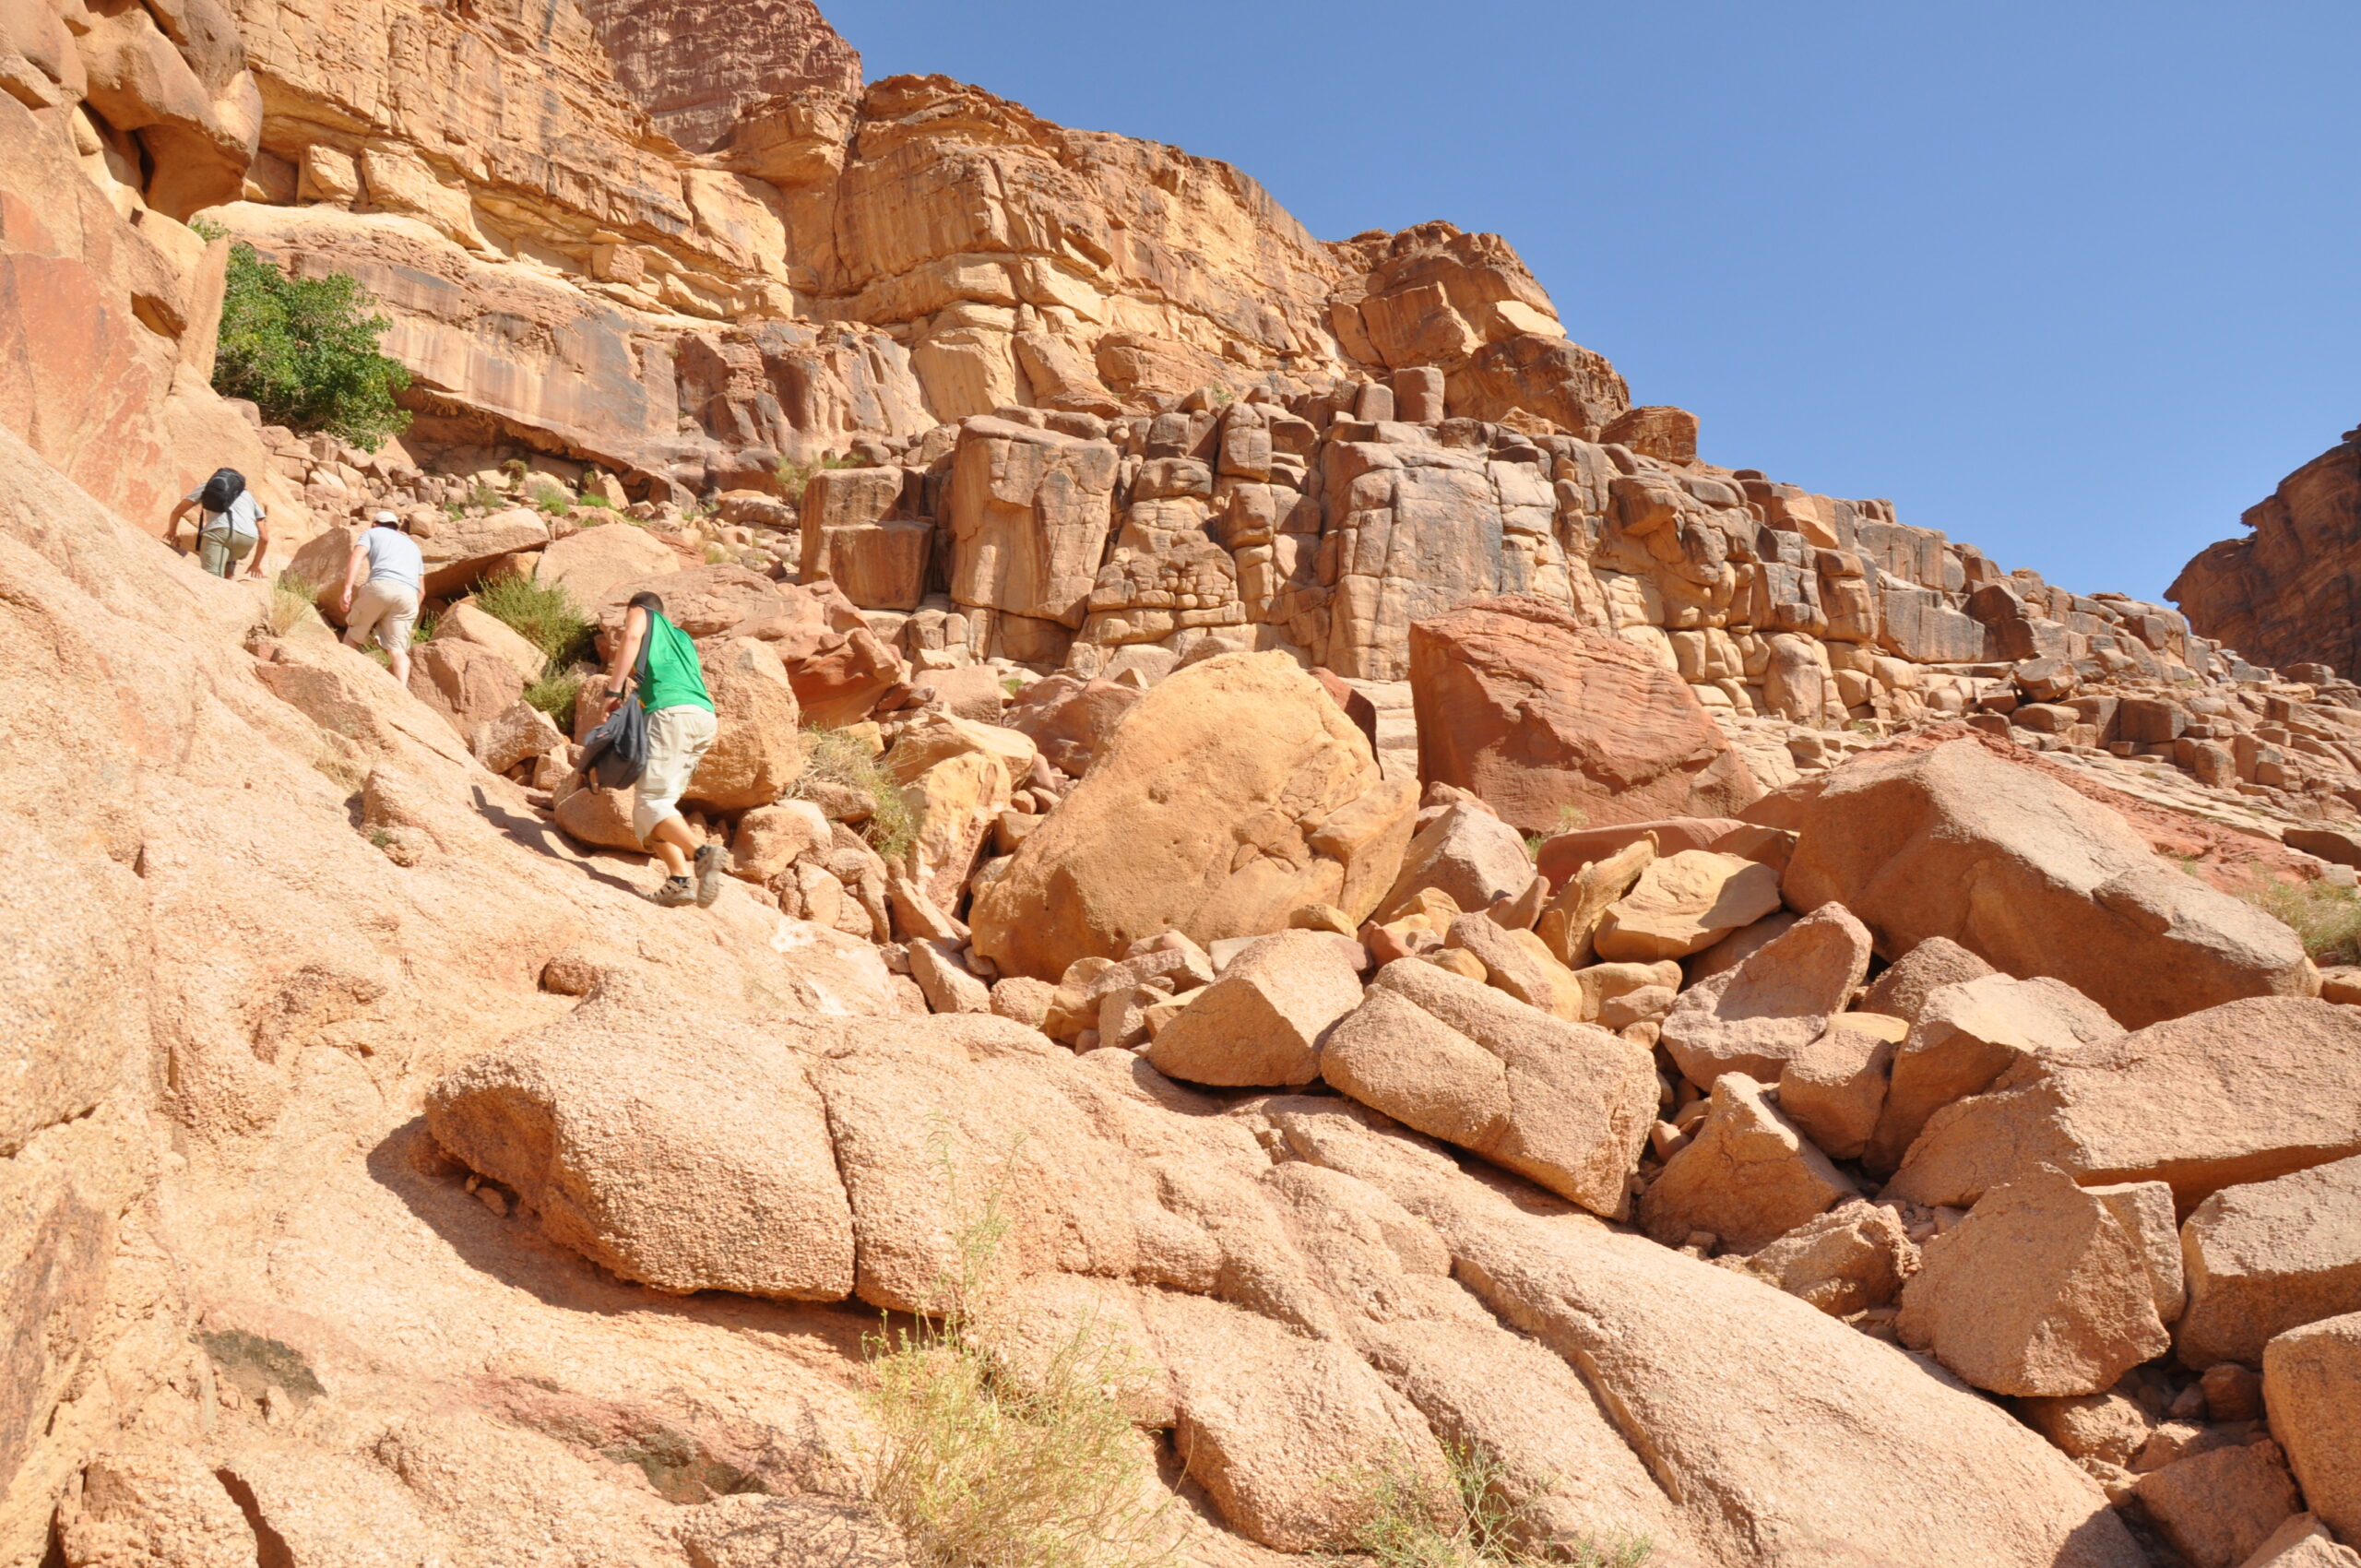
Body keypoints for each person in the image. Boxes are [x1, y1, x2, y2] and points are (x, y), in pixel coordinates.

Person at [599, 590, 726, 908]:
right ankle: (678, 881)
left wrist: (612, 690)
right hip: (703, 718)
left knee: (650, 801)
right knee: (653, 809)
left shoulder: (643, 613)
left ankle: (702, 852)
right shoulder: (682, 638)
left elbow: (630, 637)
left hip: (671, 713)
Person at [334, 510, 425, 683]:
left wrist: (347, 589)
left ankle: (343, 679)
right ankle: (402, 693)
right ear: (396, 529)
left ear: (375, 524)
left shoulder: (371, 533)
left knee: (354, 634)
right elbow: (422, 590)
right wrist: (410, 617)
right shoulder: (413, 546)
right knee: (398, 650)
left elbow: (356, 557)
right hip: (408, 595)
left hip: (381, 585)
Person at [167, 469, 270, 579]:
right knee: (227, 560)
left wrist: (172, 531)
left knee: (211, 577)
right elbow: (264, 538)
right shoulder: (247, 495)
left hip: (219, 533)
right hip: (247, 540)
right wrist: (255, 564)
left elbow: (178, 510)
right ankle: (228, 580)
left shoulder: (208, 487)